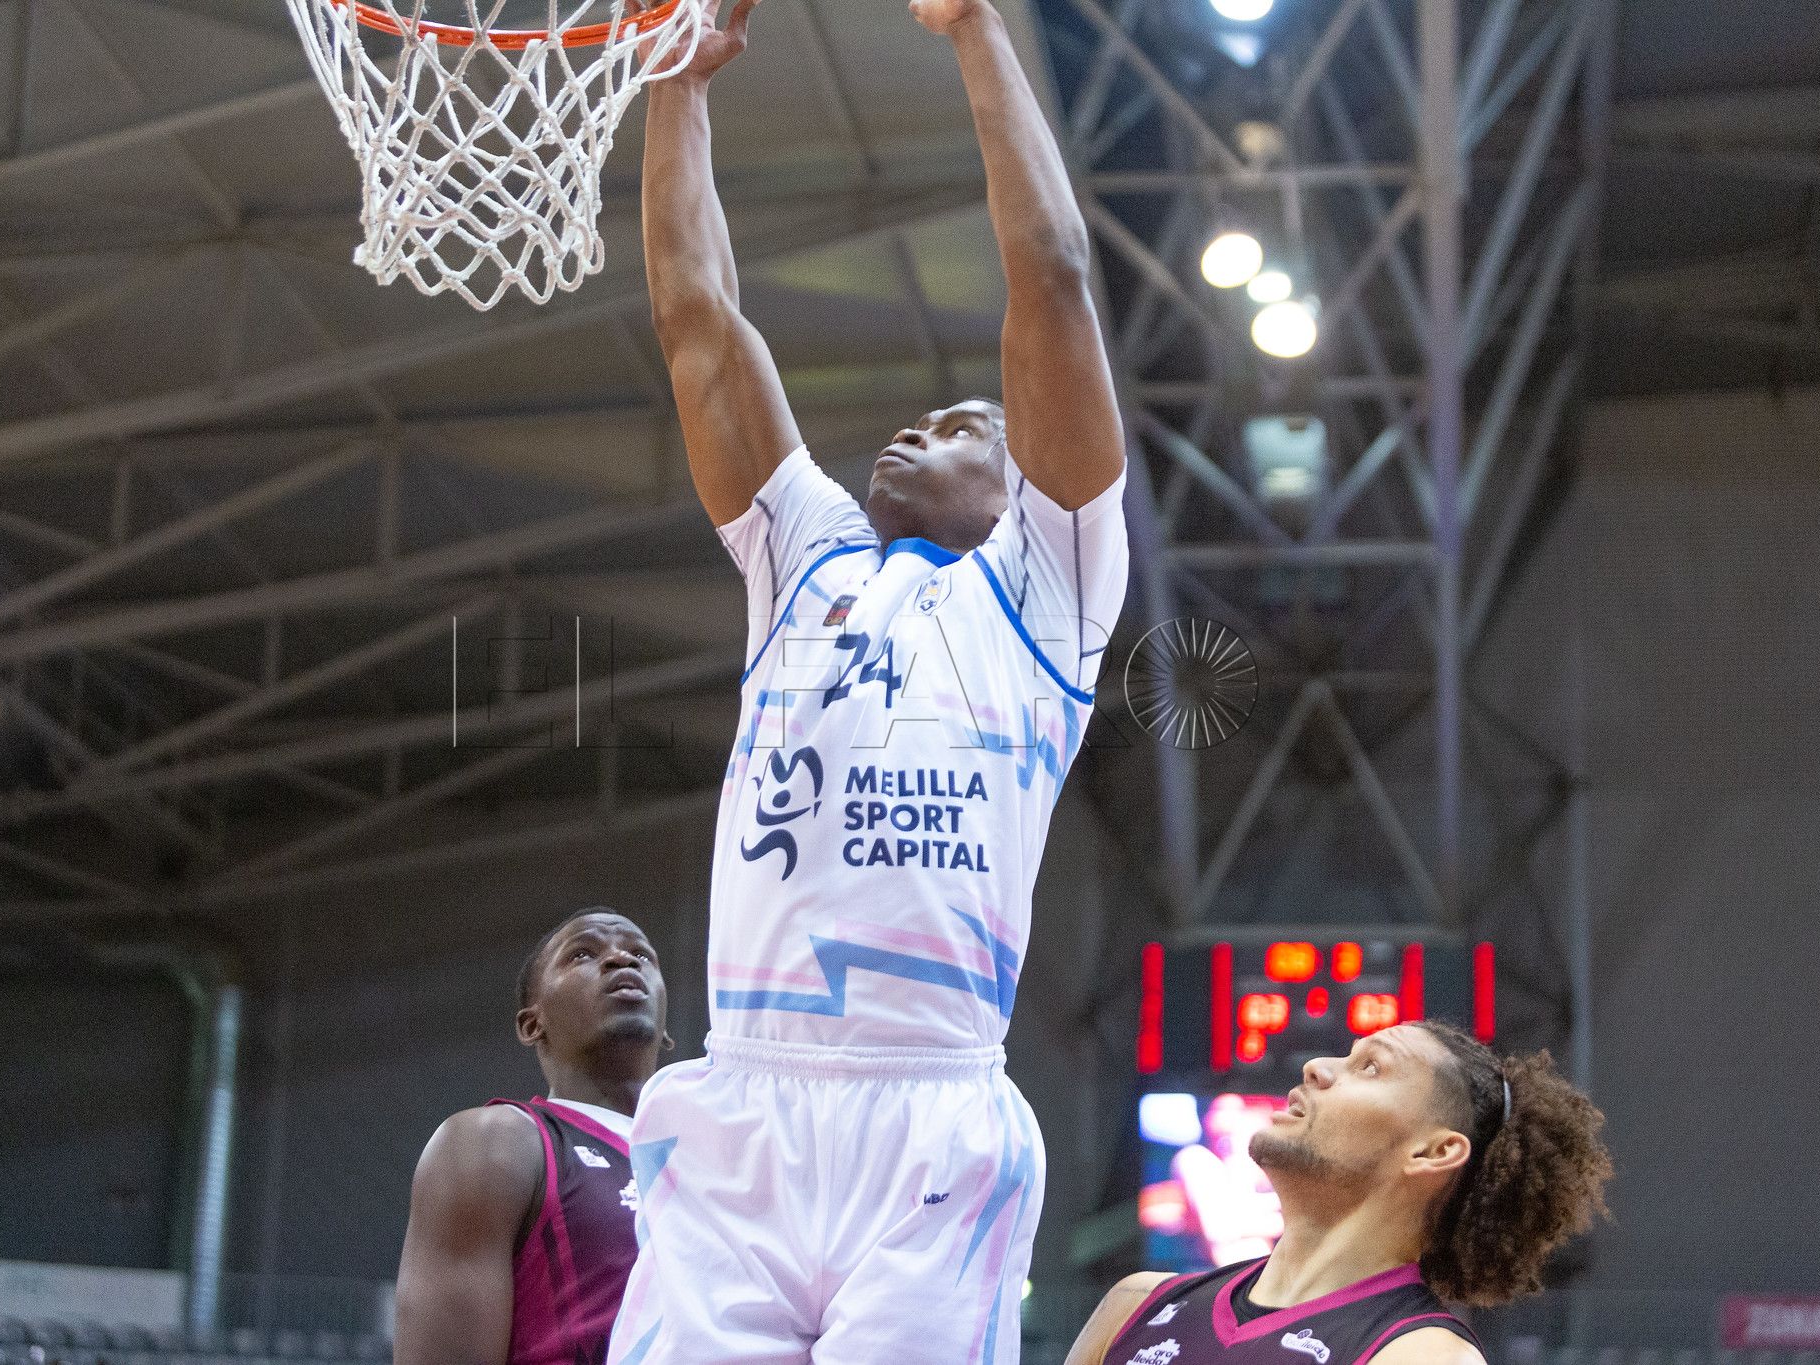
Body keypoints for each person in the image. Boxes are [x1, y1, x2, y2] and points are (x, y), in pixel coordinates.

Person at [612, 0, 1128, 1357]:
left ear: (1019, 478)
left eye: (961, 425)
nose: (916, 428)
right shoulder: (806, 558)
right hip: (742, 1098)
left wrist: (971, 28)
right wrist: (679, 86)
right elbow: (697, 319)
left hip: (930, 1115)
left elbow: (1053, 275)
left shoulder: (1050, 583)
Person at [1064, 1022, 1613, 1365]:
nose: (1316, 1067)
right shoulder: (1137, 1303)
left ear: (1433, 1151)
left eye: (1370, 1067)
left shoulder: (1422, 1356)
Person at [396, 909, 671, 1365]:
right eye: (582, 954)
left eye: (641, 955)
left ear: (665, 1030)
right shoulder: (495, 1142)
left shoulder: (717, 1163)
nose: (621, 959)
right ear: (532, 1024)